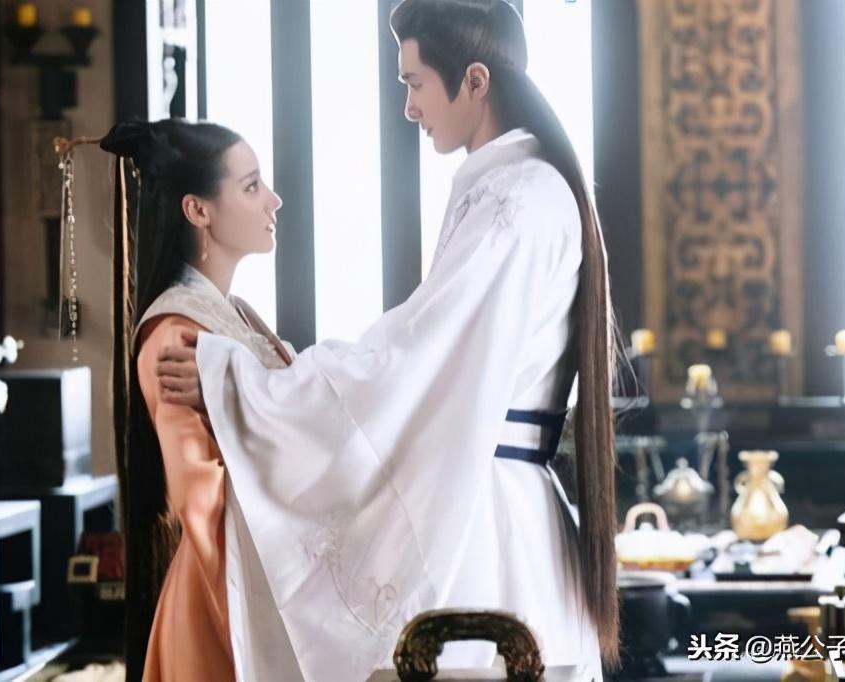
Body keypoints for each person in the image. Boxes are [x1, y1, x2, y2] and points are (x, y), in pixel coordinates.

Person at [158, 1, 620, 680]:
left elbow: (413, 360)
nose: (408, 107)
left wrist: (243, 384)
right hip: (508, 511)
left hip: (489, 533)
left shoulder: (517, 201)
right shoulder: (519, 188)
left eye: (415, 83)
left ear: (475, 81)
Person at [98, 119, 302, 682]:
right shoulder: (175, 331)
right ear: (197, 210)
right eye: (252, 185)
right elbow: (201, 501)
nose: (274, 200)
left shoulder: (235, 316)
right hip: (224, 598)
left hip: (263, 575)